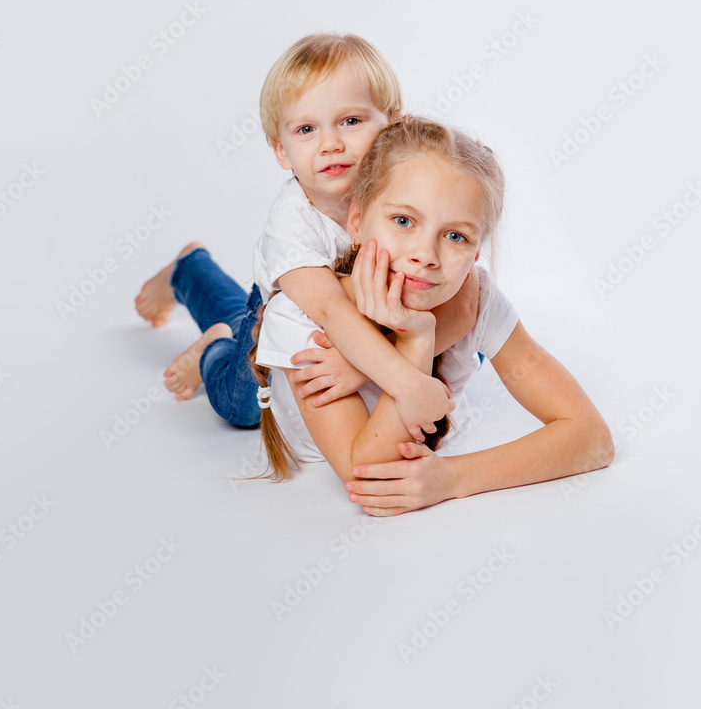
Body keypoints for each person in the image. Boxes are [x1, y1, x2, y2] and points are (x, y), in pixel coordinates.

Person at [246, 115, 614, 516]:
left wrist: (453, 478)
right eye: (403, 221)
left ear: (475, 254)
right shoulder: (301, 320)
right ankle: (201, 290)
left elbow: (592, 439)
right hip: (251, 387)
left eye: (455, 236)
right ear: (356, 222)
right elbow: (369, 476)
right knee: (230, 367)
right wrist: (414, 339)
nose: (425, 255)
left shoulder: (475, 300)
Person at [134, 33, 477, 431]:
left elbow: (466, 296)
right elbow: (331, 309)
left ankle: (201, 279)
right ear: (281, 150)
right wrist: (403, 380)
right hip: (290, 321)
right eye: (306, 129)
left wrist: (365, 368)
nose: (331, 144)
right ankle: (209, 331)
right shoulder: (291, 226)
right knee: (242, 407)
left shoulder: (412, 188)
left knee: (472, 345)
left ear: (392, 123)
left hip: (375, 325)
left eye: (351, 121)